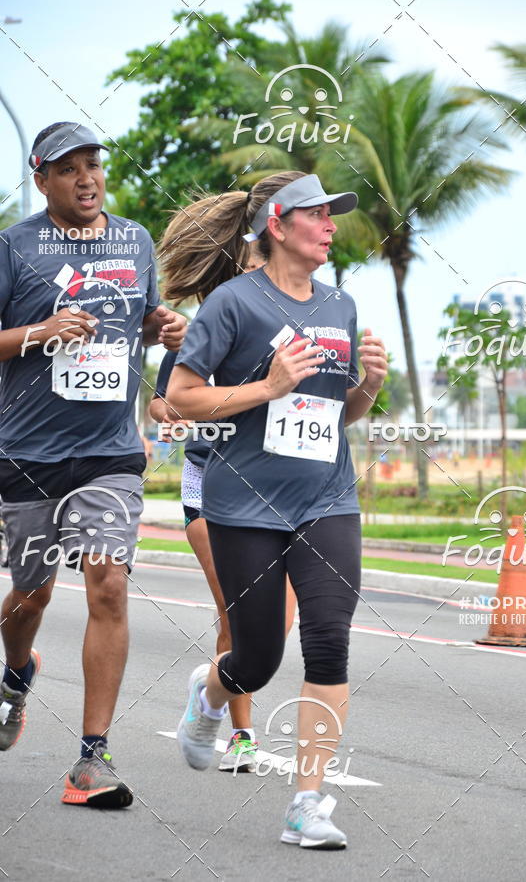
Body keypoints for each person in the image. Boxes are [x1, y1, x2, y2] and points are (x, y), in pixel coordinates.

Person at [166, 171, 387, 848]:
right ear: (278, 224)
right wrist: (268, 384)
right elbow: (183, 396)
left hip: (327, 497)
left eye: (332, 217)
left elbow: (333, 415)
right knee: (256, 658)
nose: (330, 226)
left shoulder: (340, 307)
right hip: (246, 503)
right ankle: (210, 692)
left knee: (329, 638)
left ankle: (307, 806)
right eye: (317, 215)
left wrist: (369, 389)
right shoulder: (233, 305)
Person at [0, 122, 186, 808]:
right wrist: (38, 333)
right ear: (41, 177)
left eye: (94, 165)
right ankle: (17, 673)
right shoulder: (14, 247)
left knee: (107, 582)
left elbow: (132, 319)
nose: (87, 178)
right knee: (31, 597)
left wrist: (160, 326)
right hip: (27, 453)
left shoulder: (134, 242)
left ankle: (91, 762)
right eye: (70, 168)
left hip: (109, 450)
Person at [150, 241, 296, 773]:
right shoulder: (209, 323)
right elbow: (163, 400)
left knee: (274, 625)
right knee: (237, 613)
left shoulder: (290, 327)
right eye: (257, 266)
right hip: (209, 484)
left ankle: (210, 684)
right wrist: (187, 412)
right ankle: (240, 734)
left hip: (276, 487)